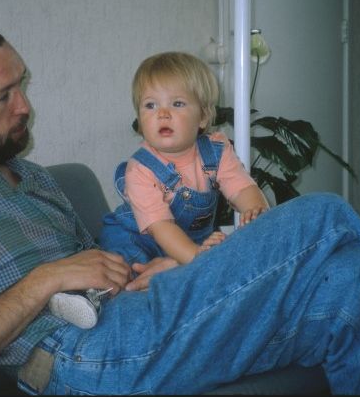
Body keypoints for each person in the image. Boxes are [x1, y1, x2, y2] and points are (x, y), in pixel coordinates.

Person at [0, 17, 360, 396]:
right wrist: (43, 280)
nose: (25, 106)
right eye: (4, 95)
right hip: (74, 354)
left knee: (352, 281)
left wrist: (150, 269)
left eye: (22, 85)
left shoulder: (31, 178)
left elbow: (102, 261)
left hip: (130, 308)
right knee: (324, 215)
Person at [100, 51, 269, 267]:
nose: (162, 113)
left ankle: (172, 270)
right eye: (150, 105)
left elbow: (241, 187)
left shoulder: (216, 151)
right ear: (140, 121)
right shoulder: (141, 169)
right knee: (123, 266)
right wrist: (196, 259)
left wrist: (254, 210)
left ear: (203, 117)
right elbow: (161, 227)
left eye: (177, 103)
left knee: (225, 255)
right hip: (138, 239)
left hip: (190, 242)